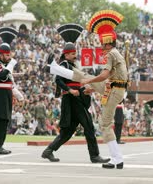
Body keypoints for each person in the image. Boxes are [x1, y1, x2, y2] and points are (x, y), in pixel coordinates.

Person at [46, 10, 127, 169]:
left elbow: (104, 75)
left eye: (102, 43)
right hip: (113, 87)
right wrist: (91, 86)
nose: (101, 46)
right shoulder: (116, 53)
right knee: (85, 125)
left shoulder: (111, 54)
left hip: (111, 88)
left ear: (108, 42)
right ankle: (113, 157)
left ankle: (116, 158)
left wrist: (89, 81)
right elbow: (109, 78)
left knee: (103, 123)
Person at [41, 23, 109, 164]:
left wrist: (86, 89)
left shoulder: (72, 66)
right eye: (72, 53)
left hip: (77, 97)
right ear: (66, 54)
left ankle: (48, 151)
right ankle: (94, 155)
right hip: (73, 99)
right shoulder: (64, 65)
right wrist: (69, 90)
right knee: (89, 126)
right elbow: (58, 81)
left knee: (68, 131)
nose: (75, 55)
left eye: (75, 53)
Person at [0, 27, 22, 155]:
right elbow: (2, 76)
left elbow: (9, 80)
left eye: (10, 55)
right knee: (1, 119)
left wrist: (17, 94)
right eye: (7, 55)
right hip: (1, 94)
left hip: (6, 93)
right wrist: (11, 65)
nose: (9, 57)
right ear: (1, 54)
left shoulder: (3, 65)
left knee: (5, 119)